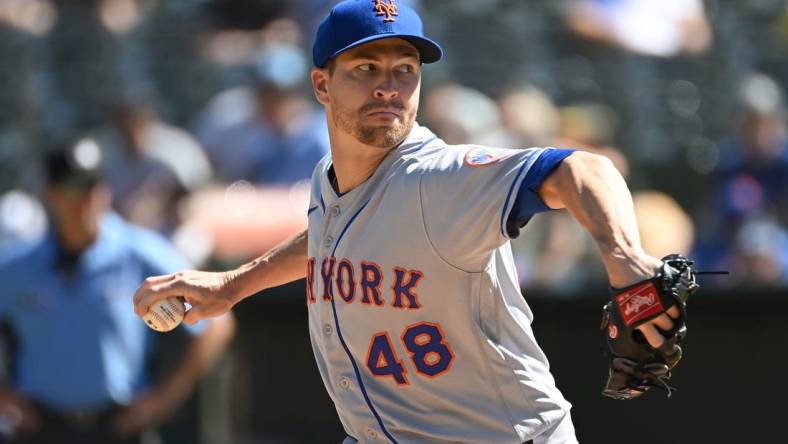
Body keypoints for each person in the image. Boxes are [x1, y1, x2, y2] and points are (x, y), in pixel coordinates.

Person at [134, 1, 682, 442]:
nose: (388, 87)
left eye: (404, 71)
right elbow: (330, 239)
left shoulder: (439, 180)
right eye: (366, 68)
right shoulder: (333, 178)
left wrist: (624, 256)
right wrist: (231, 286)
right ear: (322, 85)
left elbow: (580, 168)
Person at [0, 137, 235, 444]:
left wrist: (164, 399)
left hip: (117, 428)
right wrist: (4, 397)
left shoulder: (141, 253)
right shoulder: (18, 266)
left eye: (93, 185)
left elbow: (216, 325)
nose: (86, 198)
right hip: (41, 429)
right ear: (51, 193)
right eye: (74, 185)